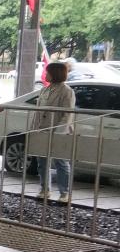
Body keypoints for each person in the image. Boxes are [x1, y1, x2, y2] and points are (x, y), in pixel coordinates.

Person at [31, 61, 75, 203]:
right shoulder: (44, 90)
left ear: (55, 74)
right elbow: (38, 113)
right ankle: (45, 189)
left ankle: (64, 193)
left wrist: (58, 133)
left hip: (59, 132)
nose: (45, 74)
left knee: (61, 162)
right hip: (42, 130)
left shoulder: (67, 91)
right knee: (42, 162)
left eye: (47, 72)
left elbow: (67, 115)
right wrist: (34, 129)